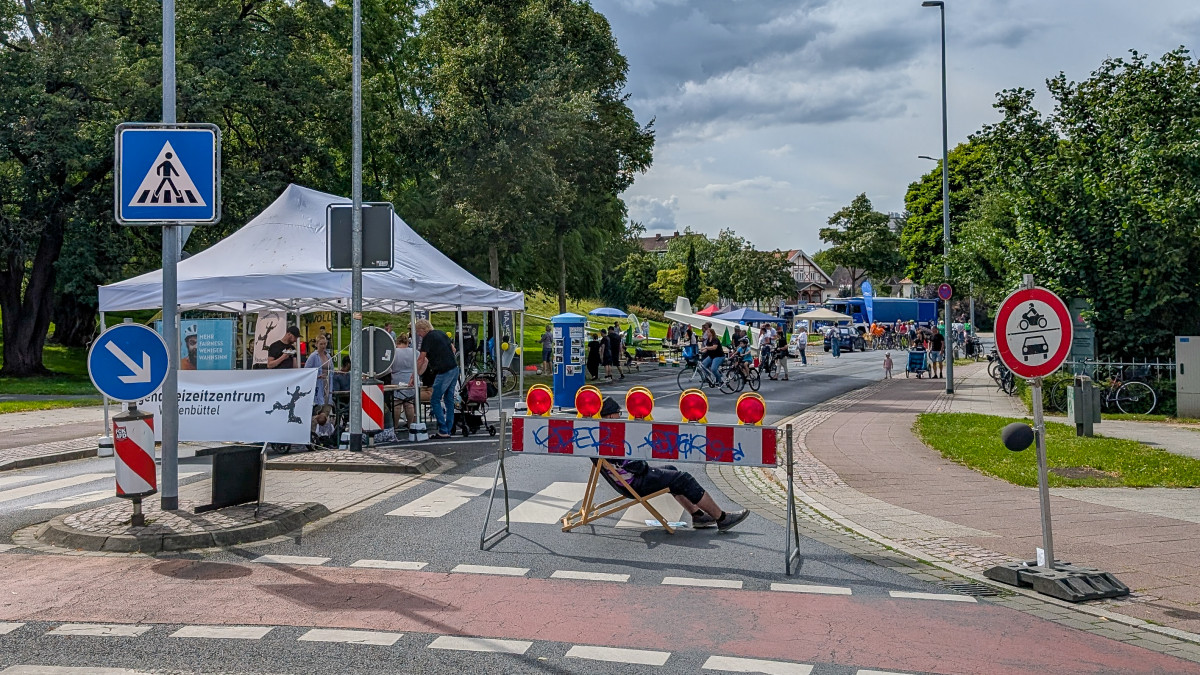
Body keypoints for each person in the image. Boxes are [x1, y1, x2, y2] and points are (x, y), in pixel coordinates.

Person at [597, 397, 749, 531]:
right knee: (684, 478)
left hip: (626, 483)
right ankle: (721, 518)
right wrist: (640, 457)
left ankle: (697, 515)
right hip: (635, 483)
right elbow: (636, 467)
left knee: (671, 470)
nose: (620, 416)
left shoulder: (600, 434)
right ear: (610, 416)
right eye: (618, 413)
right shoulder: (611, 438)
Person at [415, 319, 459, 439]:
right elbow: (453, 349)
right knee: (449, 399)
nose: (418, 334)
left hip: (443, 371)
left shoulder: (428, 338)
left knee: (435, 399)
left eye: (418, 331)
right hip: (454, 368)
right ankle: (448, 428)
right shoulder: (441, 333)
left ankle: (443, 429)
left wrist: (415, 375)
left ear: (423, 329)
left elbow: (421, 358)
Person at [305, 336, 334, 432]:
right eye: (321, 344)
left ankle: (323, 432)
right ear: (316, 344)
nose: (323, 346)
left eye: (325, 344)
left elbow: (332, 371)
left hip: (327, 385)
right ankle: (313, 431)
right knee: (317, 409)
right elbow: (306, 372)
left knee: (326, 409)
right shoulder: (313, 356)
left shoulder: (328, 356)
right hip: (318, 386)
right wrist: (317, 376)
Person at [390, 334, 417, 429]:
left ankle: (395, 426)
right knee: (409, 403)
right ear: (407, 342)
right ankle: (410, 425)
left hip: (396, 378)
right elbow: (424, 361)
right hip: (411, 378)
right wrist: (418, 373)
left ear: (397, 342)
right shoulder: (415, 352)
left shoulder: (394, 352)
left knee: (397, 403)